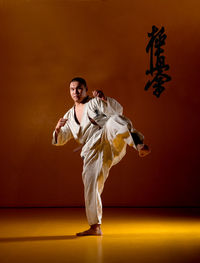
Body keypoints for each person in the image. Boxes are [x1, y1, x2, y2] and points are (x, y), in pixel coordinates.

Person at [52, 77, 150, 236]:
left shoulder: (95, 103)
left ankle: (138, 143)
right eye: (72, 89)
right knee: (90, 184)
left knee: (114, 120)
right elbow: (60, 140)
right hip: (91, 149)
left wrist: (105, 99)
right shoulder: (69, 116)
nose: (75, 92)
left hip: (108, 136)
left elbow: (118, 112)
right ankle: (95, 226)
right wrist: (57, 129)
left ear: (85, 89)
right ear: (69, 91)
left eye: (79, 88)